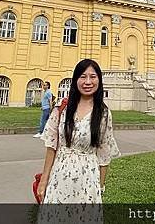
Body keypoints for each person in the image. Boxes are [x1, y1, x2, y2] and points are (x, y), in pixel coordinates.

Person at [37, 59, 120, 204]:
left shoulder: (103, 113)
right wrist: (44, 180)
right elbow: (51, 146)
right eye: (83, 76)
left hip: (88, 182)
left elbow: (104, 155)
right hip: (59, 178)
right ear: (75, 80)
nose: (88, 82)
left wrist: (99, 188)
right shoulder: (62, 107)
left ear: (99, 80)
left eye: (93, 77)